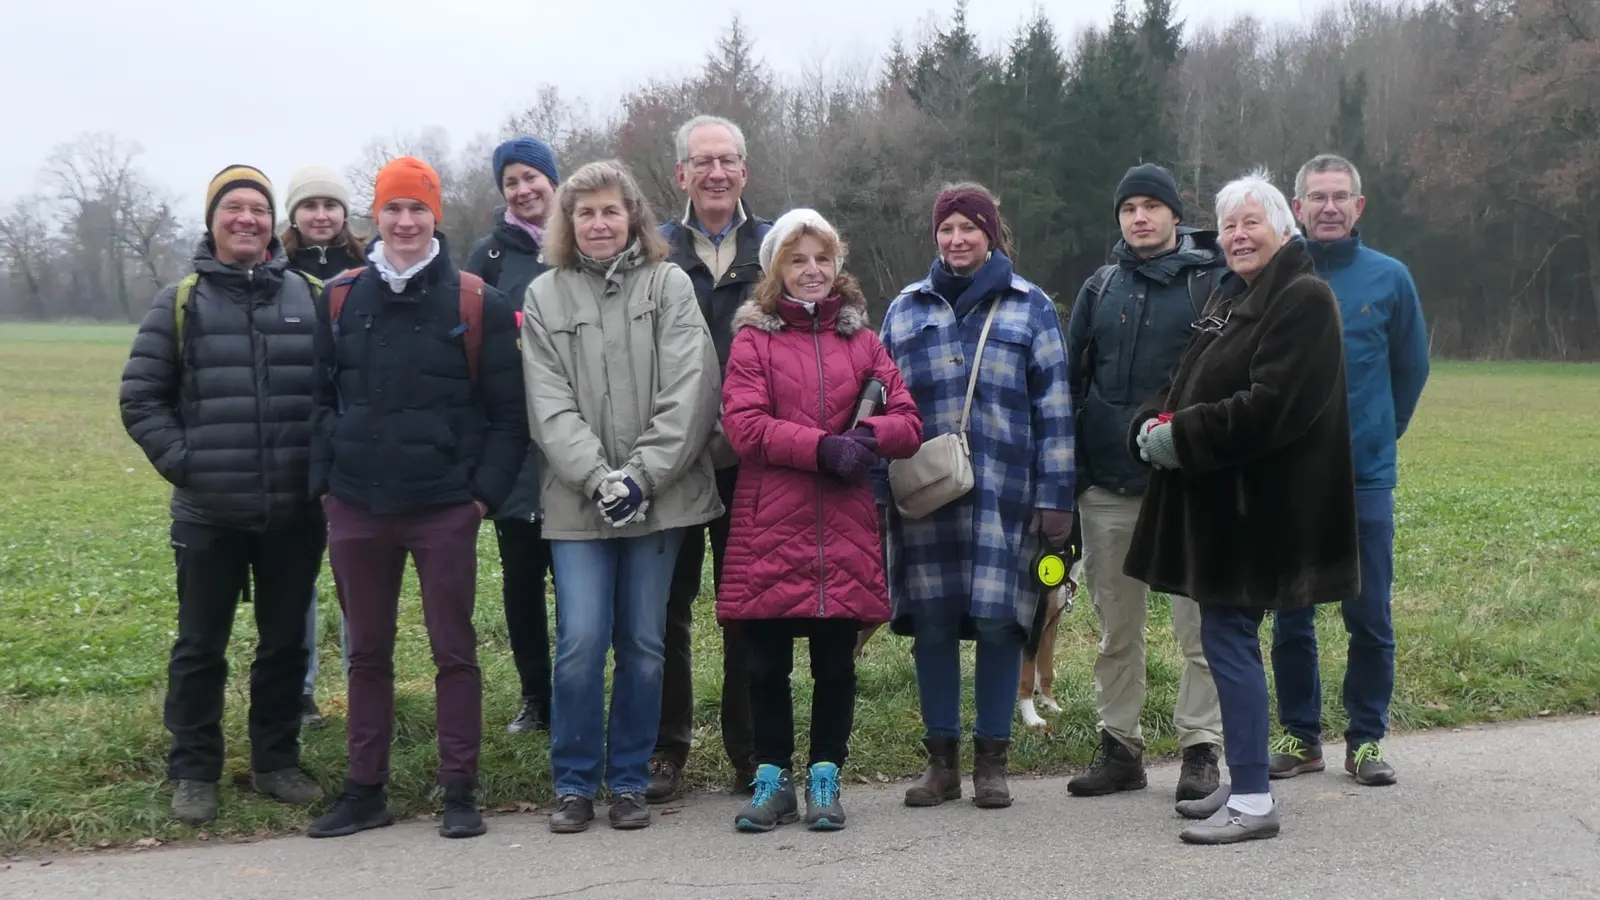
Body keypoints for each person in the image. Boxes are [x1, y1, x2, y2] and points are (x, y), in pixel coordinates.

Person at [1122, 171, 1359, 844]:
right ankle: (1246, 776)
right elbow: (1183, 382)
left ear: (1283, 228)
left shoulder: (1303, 299)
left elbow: (1272, 406)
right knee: (1228, 640)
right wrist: (1148, 424)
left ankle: (1254, 801)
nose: (1236, 236)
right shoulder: (1235, 298)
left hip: (1262, 512)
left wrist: (1181, 437)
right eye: (1227, 225)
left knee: (1228, 640)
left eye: (1251, 222)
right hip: (1225, 507)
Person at [305, 156, 527, 841]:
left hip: (443, 508)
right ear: (378, 217)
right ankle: (364, 788)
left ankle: (459, 788)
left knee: (453, 651)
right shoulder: (340, 297)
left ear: (437, 216)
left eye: (418, 209)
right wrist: (326, 487)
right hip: (357, 505)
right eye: (394, 209)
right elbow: (316, 401)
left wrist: (479, 499)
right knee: (366, 654)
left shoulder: (473, 300)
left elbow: (508, 415)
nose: (405, 222)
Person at [521, 160, 724, 834]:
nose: (600, 223)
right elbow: (547, 402)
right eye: (586, 213)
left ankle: (630, 779)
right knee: (580, 640)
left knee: (644, 641)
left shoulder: (669, 285)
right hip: (578, 504)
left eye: (611, 211)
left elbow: (692, 389)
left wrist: (641, 475)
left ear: (632, 216)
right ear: (568, 224)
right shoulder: (546, 296)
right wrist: (599, 478)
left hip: (660, 501)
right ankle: (575, 782)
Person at [120, 164, 326, 826]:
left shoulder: (310, 295)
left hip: (295, 512)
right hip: (208, 511)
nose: (247, 219)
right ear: (212, 221)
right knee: (200, 645)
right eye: (233, 208)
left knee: (285, 643)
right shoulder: (179, 301)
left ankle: (276, 761)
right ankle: (194, 770)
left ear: (275, 224)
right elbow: (141, 398)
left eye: (258, 210)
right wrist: (189, 465)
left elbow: (337, 395)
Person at [716, 209, 923, 832]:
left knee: (836, 664)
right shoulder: (754, 338)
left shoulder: (864, 341)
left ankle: (827, 774)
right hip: (771, 523)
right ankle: (772, 777)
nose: (811, 270)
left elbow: (909, 419)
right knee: (764, 663)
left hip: (844, 525)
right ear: (776, 268)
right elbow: (743, 424)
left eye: (822, 258)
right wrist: (818, 447)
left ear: (838, 267)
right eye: (797, 259)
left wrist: (866, 436)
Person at [879, 183, 1076, 811]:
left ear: (992, 234)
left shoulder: (1031, 307)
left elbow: (1055, 409)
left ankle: (993, 762)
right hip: (925, 496)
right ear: (935, 236)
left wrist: (1056, 497)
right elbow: (878, 402)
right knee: (932, 624)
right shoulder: (905, 309)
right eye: (947, 228)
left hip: (1005, 495)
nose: (957, 239)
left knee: (1000, 622)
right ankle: (941, 765)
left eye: (970, 227)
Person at [1065, 164, 1226, 802]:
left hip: (1186, 488)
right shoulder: (1100, 288)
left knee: (1199, 630)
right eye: (1128, 207)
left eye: (1151, 206)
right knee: (1115, 631)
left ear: (1175, 215)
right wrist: (1075, 470)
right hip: (1107, 487)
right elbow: (1072, 382)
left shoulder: (1209, 284)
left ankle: (1200, 751)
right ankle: (1120, 749)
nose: (1139, 218)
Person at [1271, 153, 1430, 786]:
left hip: (1363, 477)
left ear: (1358, 207)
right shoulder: (1277, 277)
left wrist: (1375, 438)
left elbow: (1410, 372)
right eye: (1318, 197)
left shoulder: (1391, 279)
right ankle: (1300, 735)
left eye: (1341, 196)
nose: (1329, 206)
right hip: (1288, 477)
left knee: (1369, 616)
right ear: (1298, 205)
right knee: (1290, 614)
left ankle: (1366, 740)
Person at [648, 115, 772, 802]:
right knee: (666, 609)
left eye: (727, 160)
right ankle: (666, 749)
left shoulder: (776, 243)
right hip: (671, 456)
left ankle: (749, 752)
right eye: (703, 162)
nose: (716, 172)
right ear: (681, 174)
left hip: (749, 458)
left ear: (745, 171)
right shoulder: (656, 249)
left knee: (745, 608)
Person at [464, 136, 562, 735]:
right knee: (523, 586)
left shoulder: (582, 241)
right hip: (514, 451)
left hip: (578, 449)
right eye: (512, 183)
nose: (524, 190)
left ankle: (581, 696)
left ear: (553, 179)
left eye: (533, 177)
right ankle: (537, 697)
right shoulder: (489, 258)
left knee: (581, 589)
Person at [279, 163, 366, 730]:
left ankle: (366, 682)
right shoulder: (276, 271)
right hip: (293, 441)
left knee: (357, 576)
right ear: (293, 216)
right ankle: (301, 691)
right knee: (298, 575)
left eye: (330, 205)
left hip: (356, 443)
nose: (320, 215)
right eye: (309, 206)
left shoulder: (368, 270)